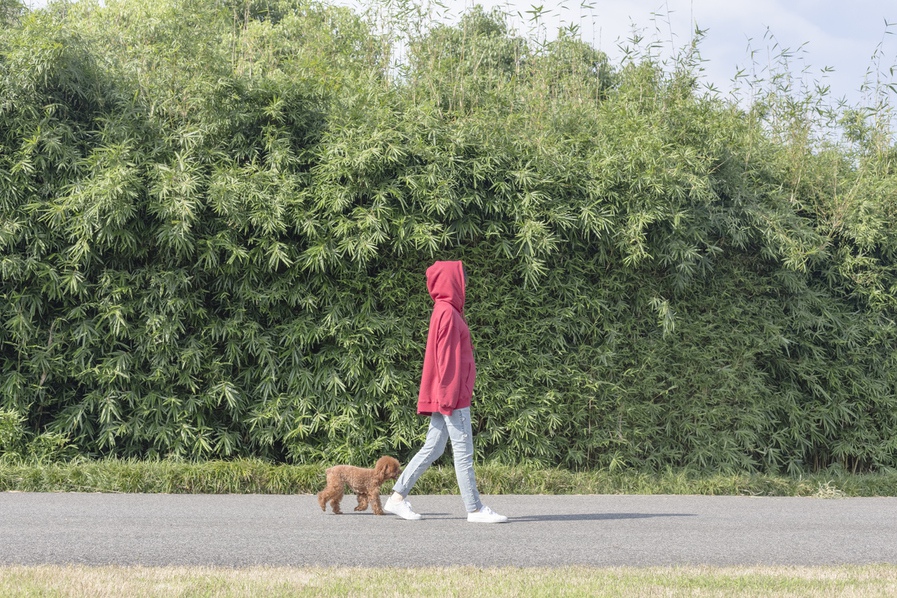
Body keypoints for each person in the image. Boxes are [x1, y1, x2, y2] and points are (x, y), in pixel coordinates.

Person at [384, 260, 508, 523]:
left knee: (433, 447)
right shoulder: (448, 314)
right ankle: (474, 509)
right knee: (463, 453)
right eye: (462, 278)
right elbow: (447, 362)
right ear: (451, 281)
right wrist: (451, 399)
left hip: (447, 395)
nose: (466, 283)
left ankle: (396, 498)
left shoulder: (445, 310)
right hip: (453, 397)